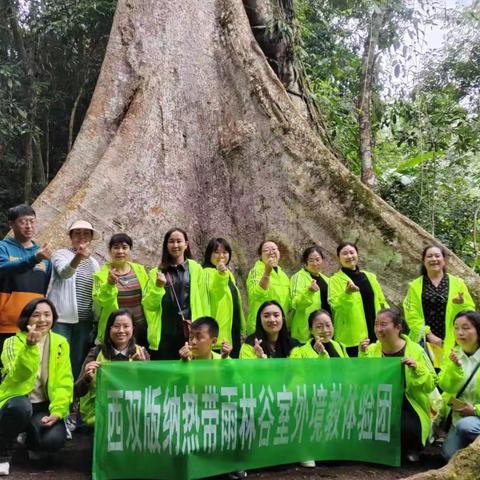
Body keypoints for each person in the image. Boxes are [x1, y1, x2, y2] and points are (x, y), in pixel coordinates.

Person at [0, 298, 73, 475]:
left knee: (53, 441)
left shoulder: (61, 342)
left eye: (47, 315)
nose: (42, 320)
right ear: (27, 319)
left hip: (42, 405)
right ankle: (3, 453)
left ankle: (29, 439)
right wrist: (30, 347)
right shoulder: (12, 342)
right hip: (16, 401)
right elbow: (19, 376)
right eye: (36, 315)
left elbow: (64, 381)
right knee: (20, 408)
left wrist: (58, 411)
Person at [359, 308, 436, 462]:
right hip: (380, 401)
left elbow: (431, 384)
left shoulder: (416, 350)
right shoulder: (372, 350)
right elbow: (362, 379)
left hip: (410, 403)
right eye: (376, 325)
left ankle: (412, 448)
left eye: (384, 324)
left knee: (406, 425)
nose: (379, 329)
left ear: (398, 327)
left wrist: (417, 369)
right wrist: (363, 354)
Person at [404, 244, 475, 367]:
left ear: (444, 260)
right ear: (423, 261)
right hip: (425, 341)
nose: (434, 259)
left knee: (449, 375)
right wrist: (430, 335)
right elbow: (411, 314)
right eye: (429, 256)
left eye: (437, 256)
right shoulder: (415, 286)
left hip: (453, 340)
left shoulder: (458, 283)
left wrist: (460, 304)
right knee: (428, 374)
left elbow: (469, 312)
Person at [142, 228, 208, 360]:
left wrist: (203, 330)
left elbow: (203, 301)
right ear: (166, 245)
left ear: (186, 244)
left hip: (189, 331)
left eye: (179, 241)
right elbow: (149, 305)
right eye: (171, 242)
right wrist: (158, 287)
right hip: (164, 333)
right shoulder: (156, 272)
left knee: (188, 374)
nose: (175, 245)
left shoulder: (196, 269)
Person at [74, 309, 148, 426]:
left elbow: (149, 389)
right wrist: (87, 379)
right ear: (109, 329)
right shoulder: (96, 352)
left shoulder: (141, 353)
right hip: (99, 417)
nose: (121, 330)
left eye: (126, 326)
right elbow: (78, 391)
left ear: (133, 329)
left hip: (131, 416)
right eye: (116, 326)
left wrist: (143, 369)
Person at [48, 220, 100, 379]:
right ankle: (55, 399)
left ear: (91, 237)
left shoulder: (94, 262)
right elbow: (64, 273)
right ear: (70, 236)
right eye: (77, 233)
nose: (81, 237)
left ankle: (74, 399)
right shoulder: (61, 254)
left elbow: (96, 292)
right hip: (62, 320)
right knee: (58, 361)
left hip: (84, 321)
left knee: (78, 362)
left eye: (86, 233)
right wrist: (77, 257)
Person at [0, 204, 52, 365]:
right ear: (11, 224)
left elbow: (45, 288)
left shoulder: (42, 252)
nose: (28, 226)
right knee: (6, 371)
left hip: (35, 325)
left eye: (32, 221)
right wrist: (33, 259)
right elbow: (3, 269)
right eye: (23, 222)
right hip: (6, 324)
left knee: (31, 371)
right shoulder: (3, 247)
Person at [328, 241, 388, 356]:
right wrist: (347, 294)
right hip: (351, 338)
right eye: (344, 254)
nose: (349, 256)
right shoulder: (334, 280)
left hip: (375, 333)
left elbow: (382, 302)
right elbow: (336, 306)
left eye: (352, 252)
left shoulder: (370, 277)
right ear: (339, 258)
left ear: (357, 254)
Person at [93, 233, 149, 347]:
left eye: (124, 247)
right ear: (109, 251)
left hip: (141, 328)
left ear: (130, 250)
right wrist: (109, 284)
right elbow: (101, 301)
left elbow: (148, 298)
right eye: (116, 247)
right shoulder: (101, 275)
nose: (120, 251)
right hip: (116, 332)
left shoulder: (140, 270)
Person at [439, 310, 480, 460]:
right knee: (448, 455)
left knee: (467, 426)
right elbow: (445, 386)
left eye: (466, 328)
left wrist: (475, 410)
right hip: (459, 418)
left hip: (474, 418)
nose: (460, 333)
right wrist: (455, 368)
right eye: (456, 328)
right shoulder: (453, 354)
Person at [202, 238, 245, 358]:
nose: (221, 256)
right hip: (218, 335)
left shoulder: (228, 273)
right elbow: (215, 293)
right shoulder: (206, 272)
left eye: (225, 252)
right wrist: (220, 275)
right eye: (216, 252)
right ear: (209, 254)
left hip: (231, 330)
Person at [246, 241, 290, 335]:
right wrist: (267, 273)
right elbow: (255, 294)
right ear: (260, 255)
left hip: (279, 327)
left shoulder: (283, 275)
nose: (271, 252)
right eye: (266, 250)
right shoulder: (256, 271)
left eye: (274, 249)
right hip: (260, 327)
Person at [290, 246, 330, 343]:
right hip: (304, 333)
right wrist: (309, 292)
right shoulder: (298, 277)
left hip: (324, 331)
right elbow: (296, 304)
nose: (315, 263)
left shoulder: (327, 280)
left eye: (317, 259)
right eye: (311, 260)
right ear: (305, 262)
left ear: (322, 260)